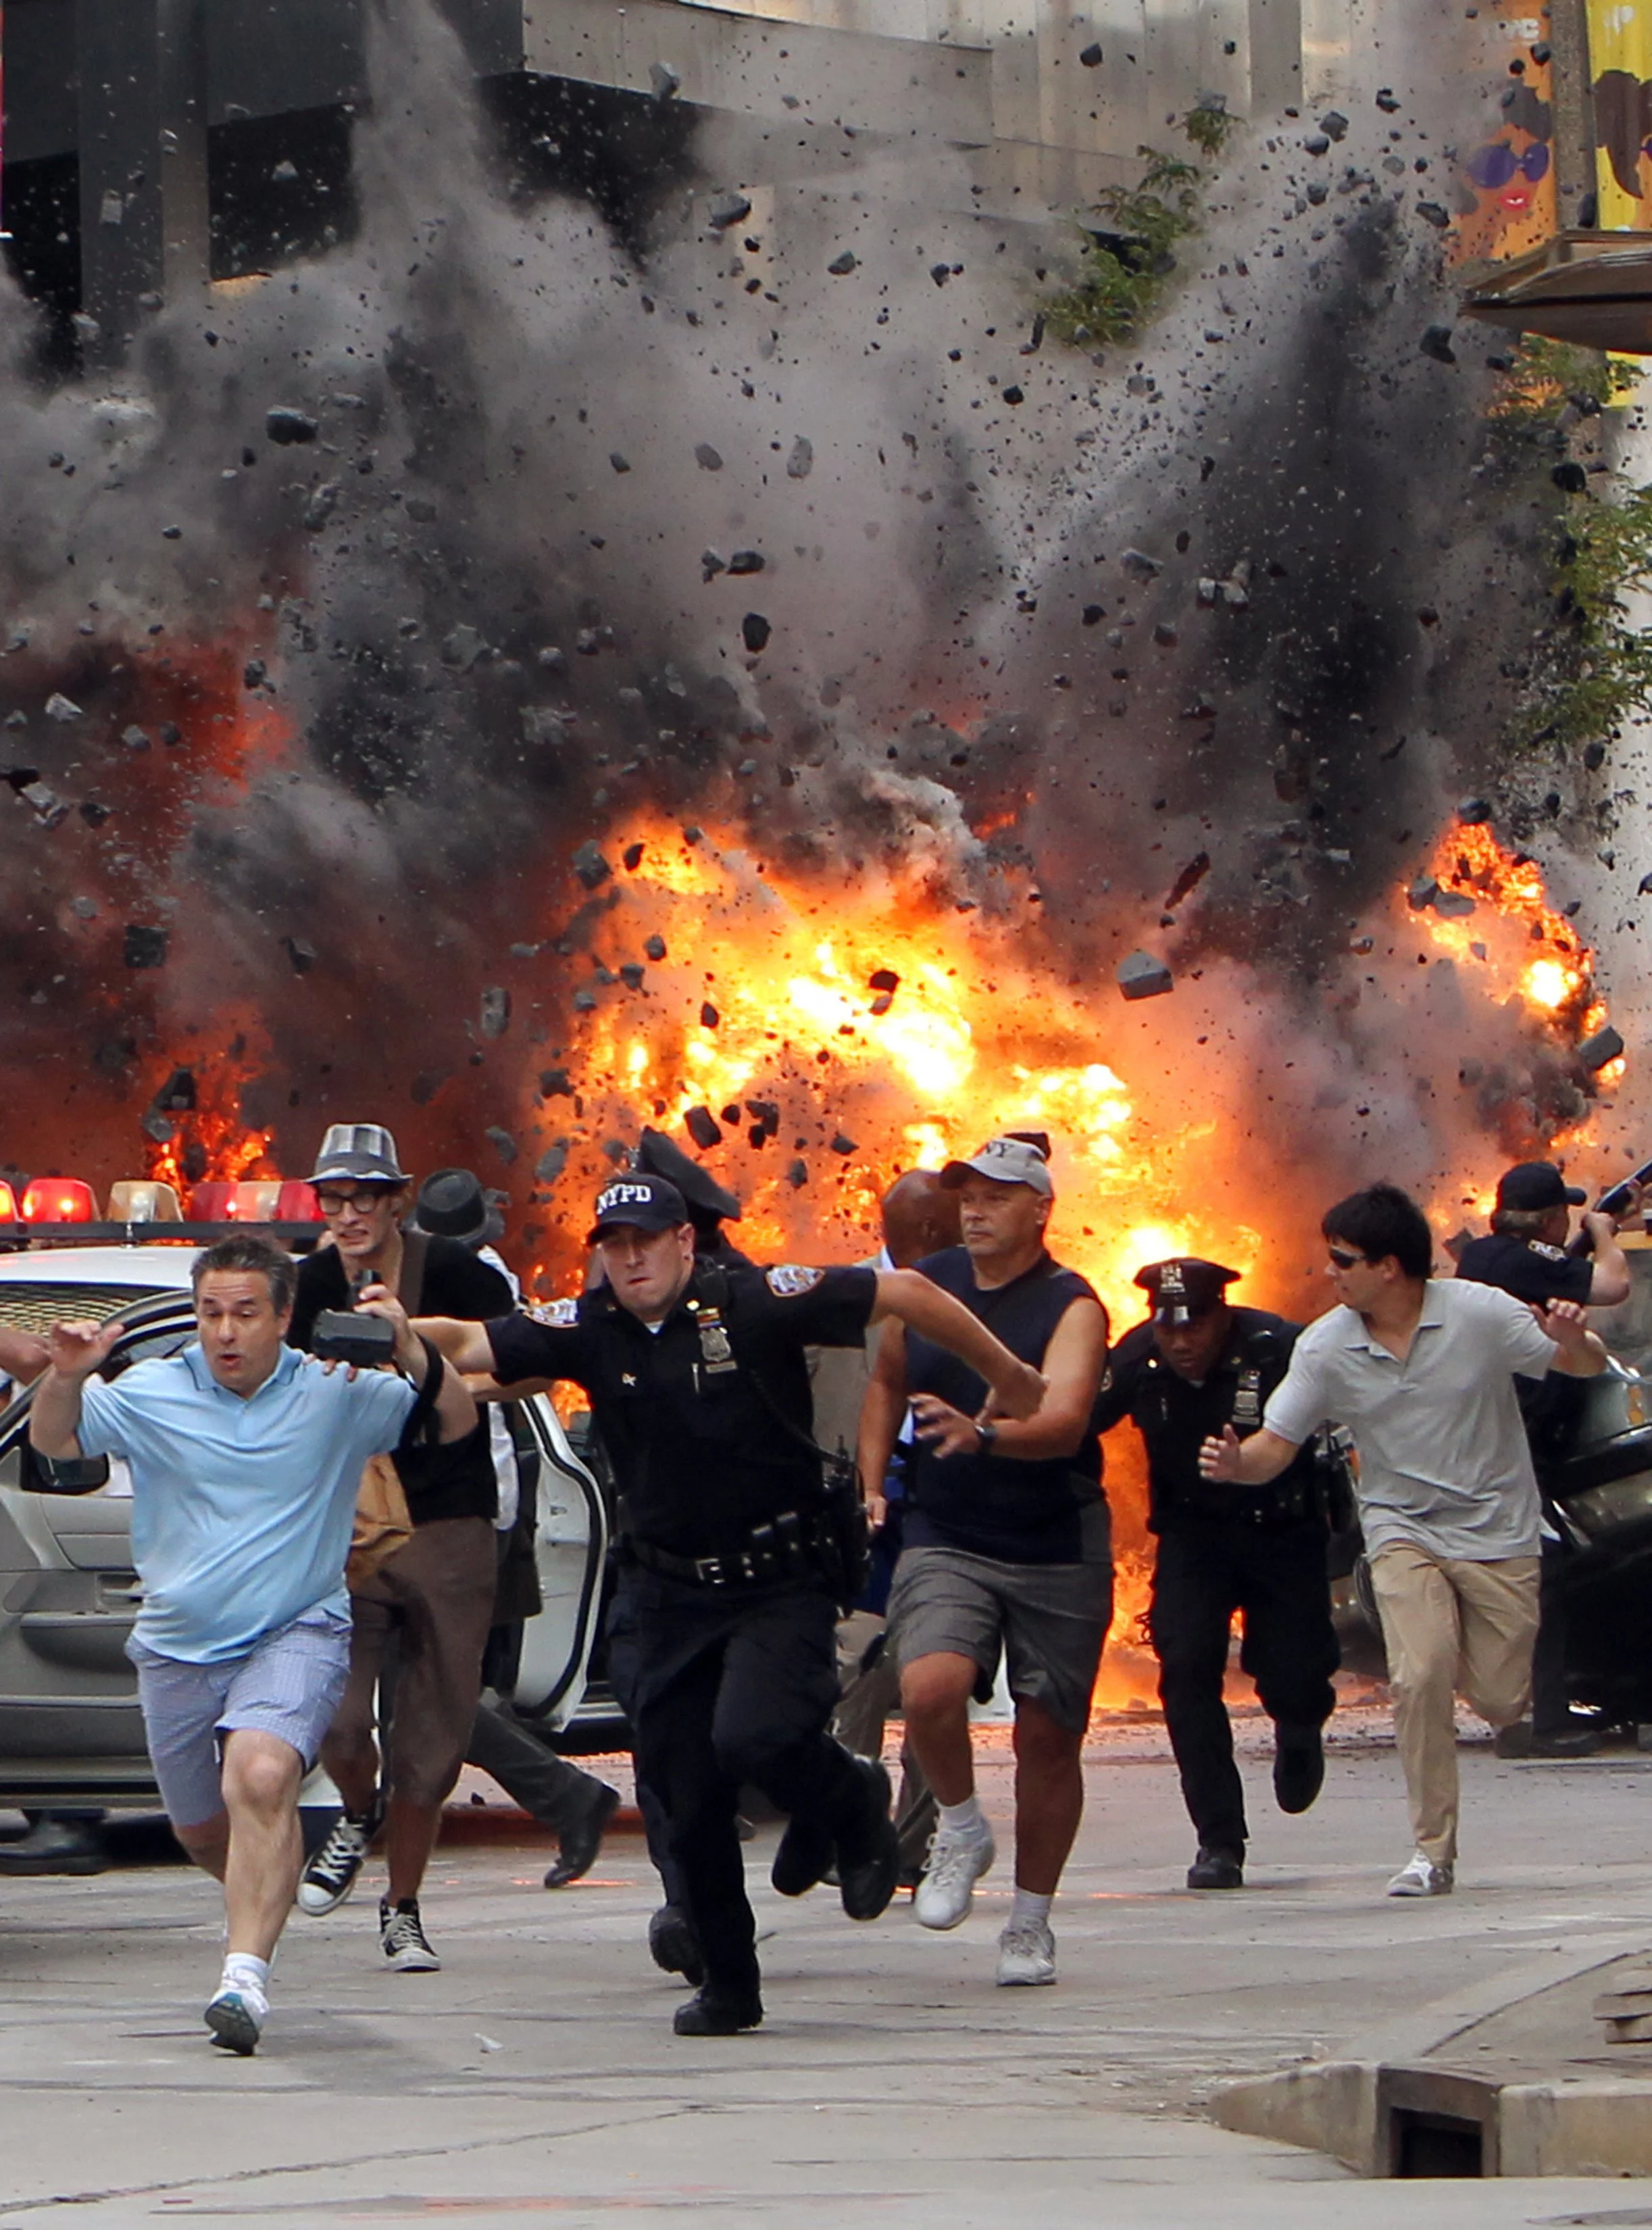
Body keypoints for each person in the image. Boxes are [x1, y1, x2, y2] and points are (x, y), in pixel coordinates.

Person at [420, 1169, 1047, 2037]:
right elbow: (465, 1341)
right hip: (669, 1591)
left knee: (754, 1736)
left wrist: (1008, 1373)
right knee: (686, 1790)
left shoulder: (757, 1301)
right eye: (615, 1247)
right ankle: (730, 1982)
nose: (631, 1260)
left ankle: (850, 1802)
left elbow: (903, 1290)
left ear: (684, 1243)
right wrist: (383, 1337)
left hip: (777, 1578)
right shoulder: (593, 1328)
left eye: (647, 1242)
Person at [25, 1233, 476, 2053]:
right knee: (202, 1831)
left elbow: (454, 1419)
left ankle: (243, 1979)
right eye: (210, 1314)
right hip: (177, 1644)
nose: (225, 1332)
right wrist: (67, 1372)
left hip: (296, 1628)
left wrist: (410, 1345)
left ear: (284, 1317)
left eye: (244, 1314)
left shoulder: (335, 1392)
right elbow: (56, 1441)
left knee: (262, 1774)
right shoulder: (157, 1389)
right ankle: (263, 1892)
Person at [1199, 1180, 1606, 1897]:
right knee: (1418, 1677)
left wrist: (1575, 1339)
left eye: (1343, 1259)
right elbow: (1275, 1444)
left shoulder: (1479, 1313)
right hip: (1400, 1528)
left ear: (1391, 1266)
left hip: (1498, 1529)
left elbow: (1581, 1362)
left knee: (1503, 1700)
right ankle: (1432, 1852)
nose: (1332, 1272)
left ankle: (1469, 1683)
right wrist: (1238, 1466)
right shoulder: (1326, 1346)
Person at [861, 1135, 1112, 1989]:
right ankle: (961, 1828)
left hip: (1052, 1541)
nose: (975, 1209)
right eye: (967, 1194)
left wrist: (988, 1434)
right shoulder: (926, 1286)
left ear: (1041, 1208)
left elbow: (1069, 1419)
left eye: (998, 1196)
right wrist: (872, 1486)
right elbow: (886, 1380)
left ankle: (1031, 1922)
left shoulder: (1071, 1304)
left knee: (1048, 1737)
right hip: (948, 1530)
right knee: (927, 1687)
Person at [289, 1124, 514, 1973]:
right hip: (343, 1522)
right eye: (333, 1199)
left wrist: (425, 1369)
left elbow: (522, 1364)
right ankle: (355, 1813)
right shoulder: (301, 1283)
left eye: (363, 1198)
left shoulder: (454, 1273)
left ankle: (404, 1907)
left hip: (449, 1517)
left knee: (432, 1733)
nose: (347, 1214)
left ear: (397, 1201)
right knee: (339, 1721)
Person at [1095, 1258, 1341, 1891]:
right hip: (1193, 1538)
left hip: (1281, 1532)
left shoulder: (1277, 1347)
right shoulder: (1140, 1357)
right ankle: (1218, 1839)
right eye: (1168, 1326)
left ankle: (1298, 1724)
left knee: (1292, 1669)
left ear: (1222, 1312)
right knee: (1184, 1672)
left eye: (1194, 1325)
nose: (1180, 1341)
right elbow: (1081, 1416)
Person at [413, 1166, 624, 1888]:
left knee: (432, 1687)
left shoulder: (487, 1284)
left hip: (475, 1507)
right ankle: (568, 1798)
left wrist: (457, 1387)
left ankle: (568, 1798)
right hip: (413, 1509)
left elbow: (537, 1369)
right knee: (426, 1688)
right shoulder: (399, 1274)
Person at [1456, 1160, 1639, 1758]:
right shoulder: (1514, 1262)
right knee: (1544, 1572)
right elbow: (1613, 1286)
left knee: (1545, 1568)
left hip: (1508, 1443)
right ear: (1552, 1218)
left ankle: (1549, 1706)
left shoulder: (1493, 1260)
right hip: (1505, 1448)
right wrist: (1606, 1234)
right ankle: (1540, 1718)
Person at [814, 1171, 961, 1888]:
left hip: (945, 1512)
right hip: (860, 1521)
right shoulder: (836, 1302)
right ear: (932, 1230)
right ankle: (852, 1834)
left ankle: (910, 1848)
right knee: (853, 1678)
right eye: (961, 1219)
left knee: (936, 1678)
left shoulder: (968, 1300)